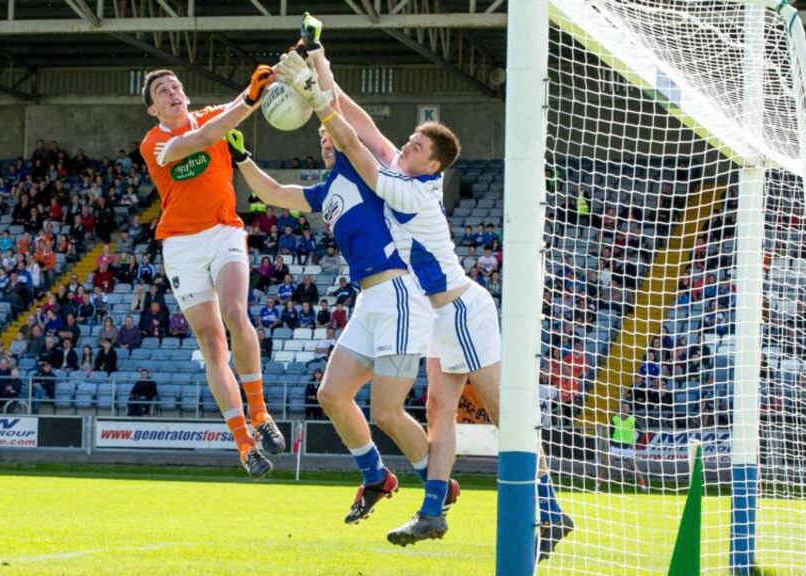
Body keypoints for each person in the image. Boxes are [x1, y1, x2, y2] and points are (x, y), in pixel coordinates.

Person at [285, 36, 570, 546]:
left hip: (458, 308)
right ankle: (433, 512)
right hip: (434, 316)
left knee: (506, 412)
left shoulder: (412, 190)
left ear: (433, 165)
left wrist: (317, 100)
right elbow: (362, 122)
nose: (406, 145)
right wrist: (320, 59)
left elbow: (352, 142)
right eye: (410, 141)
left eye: (416, 145)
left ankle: (548, 507)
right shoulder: (402, 166)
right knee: (439, 412)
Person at [230, 71, 435, 524]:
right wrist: (242, 158)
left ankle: (438, 488)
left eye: (329, 133)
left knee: (387, 411)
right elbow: (274, 193)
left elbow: (350, 122)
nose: (326, 140)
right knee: (332, 393)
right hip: (368, 301)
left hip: (399, 294)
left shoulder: (364, 169)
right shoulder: (326, 191)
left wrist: (317, 79)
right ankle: (376, 477)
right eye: (320, 137)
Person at [138, 63, 285, 477]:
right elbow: (206, 137)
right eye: (162, 91)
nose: (172, 92)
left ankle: (260, 413)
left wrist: (268, 77)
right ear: (154, 109)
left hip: (223, 232)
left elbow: (236, 106)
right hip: (182, 246)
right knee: (211, 343)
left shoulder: (210, 116)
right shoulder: (154, 143)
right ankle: (243, 444)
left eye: (175, 85)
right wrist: (250, 99)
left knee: (236, 314)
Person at [596, 402, 647, 492]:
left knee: (634, 468)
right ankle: (597, 487)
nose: (623, 409)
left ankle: (644, 488)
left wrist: (636, 443)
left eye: (625, 407)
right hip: (615, 447)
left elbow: (641, 432)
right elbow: (610, 432)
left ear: (629, 409)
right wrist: (610, 443)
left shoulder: (632, 419)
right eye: (622, 407)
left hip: (627, 448)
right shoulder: (614, 419)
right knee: (606, 467)